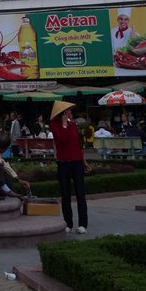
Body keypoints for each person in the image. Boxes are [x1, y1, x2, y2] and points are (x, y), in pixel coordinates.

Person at [49, 100, 91, 234]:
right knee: (65, 195)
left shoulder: (73, 125)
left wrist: (84, 162)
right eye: (68, 111)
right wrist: (64, 123)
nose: (71, 113)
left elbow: (77, 146)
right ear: (63, 114)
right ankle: (68, 223)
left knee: (80, 193)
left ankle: (83, 224)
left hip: (77, 162)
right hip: (63, 163)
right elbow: (63, 139)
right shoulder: (55, 126)